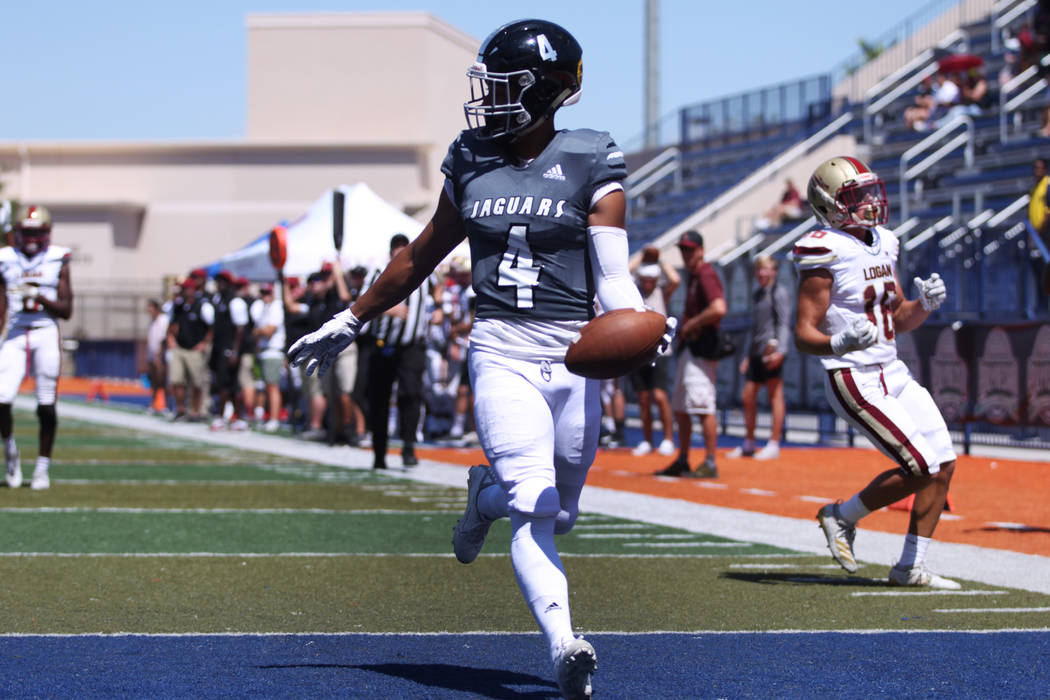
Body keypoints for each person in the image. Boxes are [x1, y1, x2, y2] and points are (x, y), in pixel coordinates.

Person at [287, 19, 674, 699]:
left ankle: (481, 497)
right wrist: (351, 318)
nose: (489, 98)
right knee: (536, 503)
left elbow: (611, 273)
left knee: (564, 511)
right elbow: (421, 254)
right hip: (502, 348)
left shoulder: (592, 158)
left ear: (547, 91)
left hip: (575, 350)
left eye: (505, 85)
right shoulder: (469, 157)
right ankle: (565, 646)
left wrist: (639, 321)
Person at [795, 155, 958, 589]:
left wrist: (924, 304)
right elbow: (802, 334)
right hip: (853, 374)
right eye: (856, 196)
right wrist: (838, 342)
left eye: (869, 192)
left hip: (892, 369)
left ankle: (910, 566)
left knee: (943, 461)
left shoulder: (885, 241)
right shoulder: (822, 247)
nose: (869, 202)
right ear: (830, 205)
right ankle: (841, 516)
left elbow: (899, 317)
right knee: (920, 465)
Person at [0, 205, 73, 490]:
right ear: (17, 233)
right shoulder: (5, 258)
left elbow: (67, 310)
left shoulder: (58, 258)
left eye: (36, 232)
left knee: (46, 405)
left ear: (46, 233)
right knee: (2, 398)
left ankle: (42, 467)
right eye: (26, 232)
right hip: (16, 332)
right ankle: (10, 451)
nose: (31, 238)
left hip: (45, 330)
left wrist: (39, 297)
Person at [358, 234, 432, 469]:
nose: (400, 252)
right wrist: (389, 309)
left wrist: (438, 310)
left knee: (411, 394)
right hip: (384, 345)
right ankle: (379, 452)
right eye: (396, 249)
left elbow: (436, 291)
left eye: (404, 248)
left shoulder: (425, 267)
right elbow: (362, 300)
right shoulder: (378, 271)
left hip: (412, 345)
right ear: (390, 252)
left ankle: (409, 446)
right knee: (379, 398)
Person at [657, 229, 726, 479]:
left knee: (702, 404)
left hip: (701, 348)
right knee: (681, 405)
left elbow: (719, 308)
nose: (685, 254)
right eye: (683, 250)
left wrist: (691, 324)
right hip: (691, 350)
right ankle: (684, 458)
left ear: (700, 250)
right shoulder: (696, 275)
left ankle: (710, 461)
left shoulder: (706, 274)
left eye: (689, 249)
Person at [728, 255, 792, 460]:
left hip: (772, 353)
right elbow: (755, 328)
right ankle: (749, 443)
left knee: (775, 395)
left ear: (774, 271)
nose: (762, 273)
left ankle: (773, 444)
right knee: (748, 397)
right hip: (756, 353)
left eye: (766, 269)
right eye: (759, 270)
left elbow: (784, 323)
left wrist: (780, 350)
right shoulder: (757, 295)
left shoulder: (779, 293)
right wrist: (747, 355)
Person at [626, 250, 679, 456]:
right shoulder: (634, 291)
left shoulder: (661, 291)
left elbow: (675, 279)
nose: (648, 283)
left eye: (652, 279)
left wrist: (661, 260)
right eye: (645, 279)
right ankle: (647, 440)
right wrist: (640, 257)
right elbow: (624, 271)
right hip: (640, 350)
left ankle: (668, 438)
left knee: (659, 395)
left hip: (660, 351)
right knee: (643, 398)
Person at [166, 275, 213, 422]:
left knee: (196, 382)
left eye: (187, 289)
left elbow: (211, 328)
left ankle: (195, 411)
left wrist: (204, 343)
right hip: (180, 348)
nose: (185, 292)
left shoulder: (202, 305)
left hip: (194, 350)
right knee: (176, 379)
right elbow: (172, 326)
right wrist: (171, 340)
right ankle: (180, 409)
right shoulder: (178, 307)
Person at [208, 270, 249, 431]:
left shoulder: (235, 302)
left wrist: (235, 351)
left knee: (228, 384)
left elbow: (240, 329)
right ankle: (232, 417)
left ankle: (226, 416)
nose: (219, 285)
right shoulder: (219, 300)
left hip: (229, 348)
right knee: (224, 383)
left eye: (222, 282)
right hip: (219, 347)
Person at [250, 281, 285, 432]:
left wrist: (260, 331)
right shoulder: (264, 308)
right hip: (265, 350)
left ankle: (275, 418)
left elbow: (268, 330)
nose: (265, 296)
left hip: (273, 350)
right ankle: (268, 416)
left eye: (267, 293)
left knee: (272, 386)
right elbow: (257, 331)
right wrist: (260, 331)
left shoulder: (276, 307)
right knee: (265, 386)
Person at [145, 298, 169, 415]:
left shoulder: (163, 320)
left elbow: (163, 339)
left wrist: (159, 356)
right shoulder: (151, 321)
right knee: (154, 380)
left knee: (162, 380)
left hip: (160, 356)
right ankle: (154, 403)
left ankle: (167, 405)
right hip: (152, 354)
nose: (148, 309)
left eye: (151, 307)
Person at [1029, 157, 1050, 250]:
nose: (1038, 171)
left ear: (1045, 169)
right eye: (1036, 168)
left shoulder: (1048, 184)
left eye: (1040, 168)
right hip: (1039, 233)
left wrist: (1039, 231)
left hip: (1046, 231)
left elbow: (1048, 212)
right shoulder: (1034, 189)